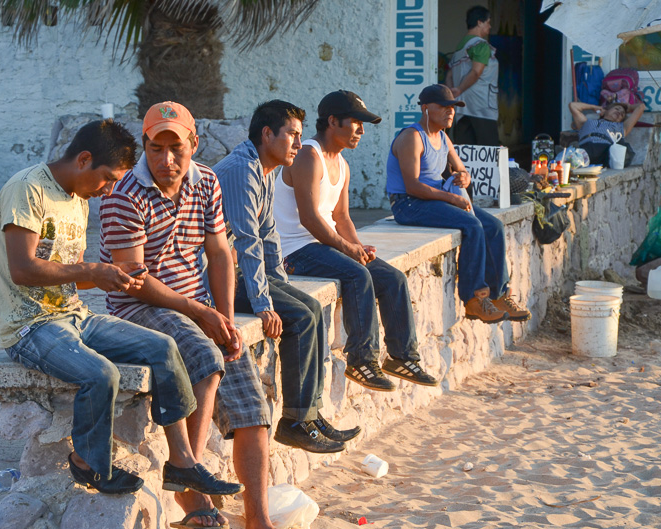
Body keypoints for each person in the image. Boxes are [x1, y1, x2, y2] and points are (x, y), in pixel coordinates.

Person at [0, 119, 243, 502]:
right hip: (29, 326)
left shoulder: (78, 197)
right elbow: (23, 269)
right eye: (107, 179)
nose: (108, 190)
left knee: (163, 347)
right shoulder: (28, 189)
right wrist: (93, 270)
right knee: (101, 374)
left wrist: (112, 277)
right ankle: (87, 461)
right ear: (84, 159)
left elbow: (69, 275)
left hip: (73, 316)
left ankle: (182, 460)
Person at [99, 102, 275, 529]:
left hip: (197, 305)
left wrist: (225, 320)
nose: (166, 159)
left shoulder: (207, 181)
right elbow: (133, 279)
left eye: (176, 148)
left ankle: (258, 519)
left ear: (193, 144)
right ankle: (189, 484)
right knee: (204, 356)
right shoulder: (124, 195)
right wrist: (200, 313)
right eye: (156, 148)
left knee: (253, 411)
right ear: (144, 145)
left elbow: (220, 253)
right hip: (140, 307)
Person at [214, 100, 361, 456]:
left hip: (235, 271)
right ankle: (295, 422)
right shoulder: (243, 170)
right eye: (292, 135)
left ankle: (310, 415)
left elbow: (268, 235)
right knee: (298, 317)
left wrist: (280, 286)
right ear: (267, 134)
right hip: (211, 279)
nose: (298, 143)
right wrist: (264, 304)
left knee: (310, 307)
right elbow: (247, 241)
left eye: (299, 135)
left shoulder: (265, 169)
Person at [275, 90, 438, 392]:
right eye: (356, 123)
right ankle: (361, 361)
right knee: (358, 275)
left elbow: (342, 217)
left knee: (392, 278)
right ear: (332, 121)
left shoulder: (342, 165)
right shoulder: (308, 155)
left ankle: (402, 357)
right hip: (294, 251)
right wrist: (347, 249)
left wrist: (358, 247)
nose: (361, 131)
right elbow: (309, 219)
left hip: (321, 246)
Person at [387, 84, 530, 325]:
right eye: (444, 106)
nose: (450, 111)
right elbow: (412, 186)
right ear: (425, 108)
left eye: (453, 107)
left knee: (493, 226)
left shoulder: (443, 137)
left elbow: (462, 169)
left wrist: (464, 177)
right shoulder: (412, 137)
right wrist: (452, 198)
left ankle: (499, 296)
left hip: (434, 200)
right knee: (472, 226)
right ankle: (474, 299)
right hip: (408, 204)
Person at [446, 5, 499, 146]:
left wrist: (453, 94)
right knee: (488, 151)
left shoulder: (460, 48)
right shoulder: (481, 46)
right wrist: (460, 89)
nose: (490, 26)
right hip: (482, 107)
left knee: (465, 151)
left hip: (462, 109)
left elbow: (449, 76)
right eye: (488, 22)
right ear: (479, 22)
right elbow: (476, 72)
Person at [568, 101, 644, 167]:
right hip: (584, 151)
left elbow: (641, 107)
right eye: (617, 109)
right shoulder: (586, 122)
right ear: (606, 111)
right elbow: (573, 105)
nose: (619, 112)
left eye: (622, 114)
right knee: (572, 149)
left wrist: (629, 107)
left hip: (604, 152)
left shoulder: (621, 127)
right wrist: (594, 107)